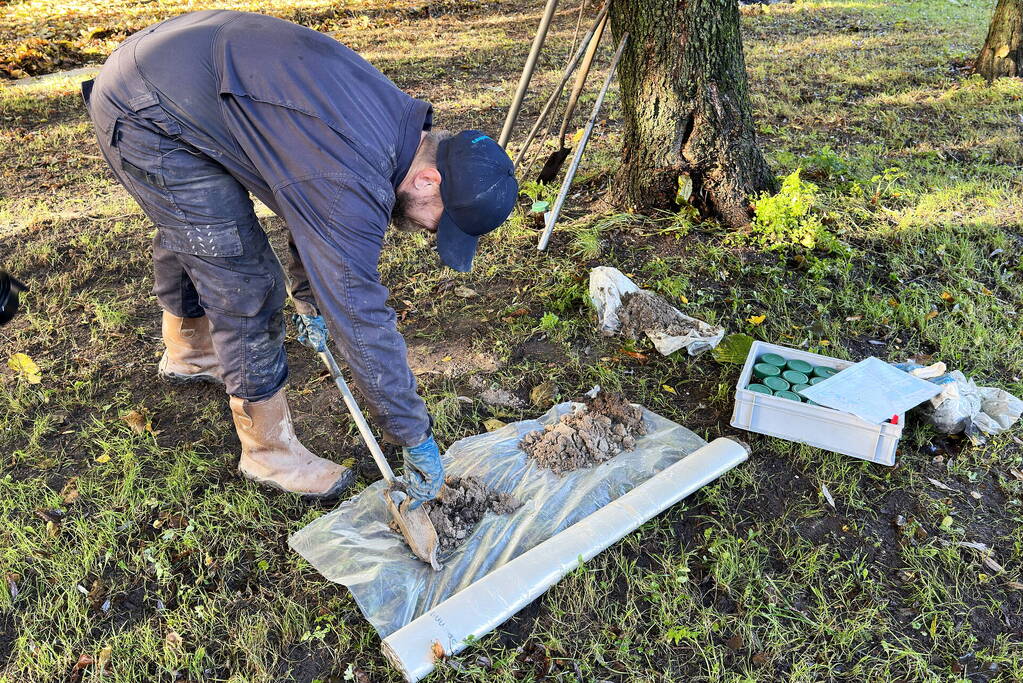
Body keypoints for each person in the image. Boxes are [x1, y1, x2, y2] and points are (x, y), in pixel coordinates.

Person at [82, 10, 517, 503]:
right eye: (442, 220)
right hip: (148, 109)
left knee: (198, 228)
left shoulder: (395, 130)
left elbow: (310, 206)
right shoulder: (348, 176)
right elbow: (359, 313)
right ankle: (267, 452)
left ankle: (191, 353)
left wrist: (310, 298)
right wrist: (413, 434)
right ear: (428, 179)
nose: (431, 232)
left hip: (179, 68)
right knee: (240, 274)